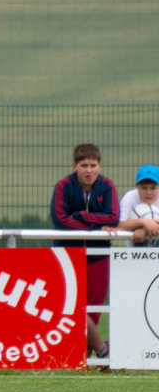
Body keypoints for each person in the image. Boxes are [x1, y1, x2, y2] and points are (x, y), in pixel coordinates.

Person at [50, 143, 118, 361]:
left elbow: (113, 218)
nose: (89, 170)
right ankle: (102, 351)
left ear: (100, 166)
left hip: (99, 256)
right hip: (67, 256)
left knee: (94, 311)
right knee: (71, 307)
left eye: (93, 165)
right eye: (83, 165)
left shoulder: (107, 186)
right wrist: (94, 228)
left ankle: (83, 360)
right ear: (74, 166)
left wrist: (80, 216)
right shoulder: (63, 186)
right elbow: (60, 221)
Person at [117, 164, 159, 247]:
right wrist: (143, 222)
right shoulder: (130, 197)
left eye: (153, 188)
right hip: (134, 253)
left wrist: (144, 230)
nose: (148, 192)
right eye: (144, 188)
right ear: (136, 186)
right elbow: (120, 224)